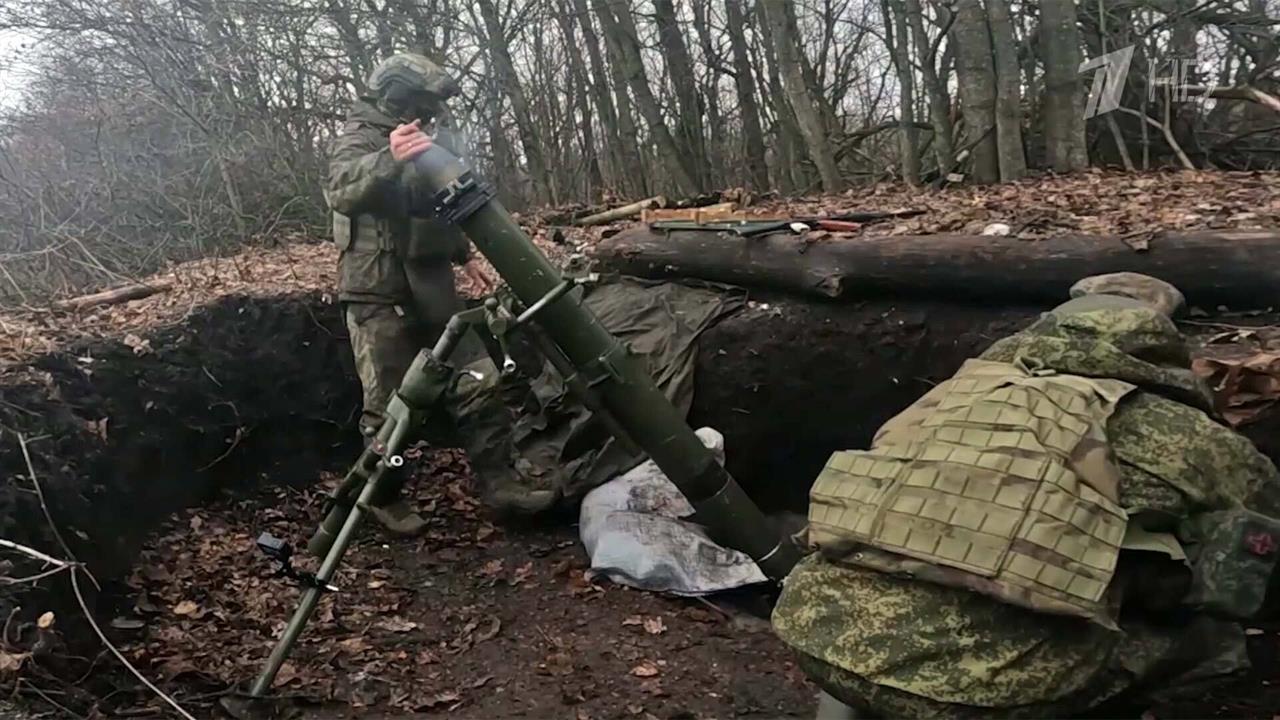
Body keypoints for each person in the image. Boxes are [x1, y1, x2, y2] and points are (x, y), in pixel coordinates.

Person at [772, 272, 1280, 719]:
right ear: (1162, 345)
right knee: (1216, 639)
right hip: (990, 693)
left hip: (815, 638)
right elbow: (1266, 512)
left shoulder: (954, 394)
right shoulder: (1186, 433)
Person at [324, 52, 495, 534]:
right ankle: (383, 496)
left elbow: (435, 205)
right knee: (390, 409)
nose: (430, 115)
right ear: (398, 97)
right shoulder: (359, 140)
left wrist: (467, 256)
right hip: (376, 292)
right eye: (421, 104)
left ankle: (504, 480)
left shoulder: (420, 139)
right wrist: (388, 158)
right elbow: (341, 190)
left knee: (481, 379)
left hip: (430, 286)